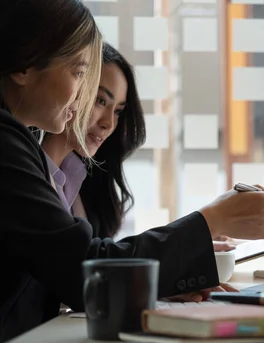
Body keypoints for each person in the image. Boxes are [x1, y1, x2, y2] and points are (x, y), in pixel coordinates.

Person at [0, 0, 264, 343]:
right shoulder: (7, 146)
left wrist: (159, 283)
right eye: (80, 73)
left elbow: (66, 269)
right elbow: (82, 268)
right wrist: (209, 220)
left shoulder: (21, 146)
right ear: (24, 66)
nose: (83, 98)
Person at [40, 42, 236, 254]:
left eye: (117, 111)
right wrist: (191, 242)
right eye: (101, 101)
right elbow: (84, 265)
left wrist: (186, 259)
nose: (109, 123)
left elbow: (102, 267)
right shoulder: (27, 178)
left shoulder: (80, 183)